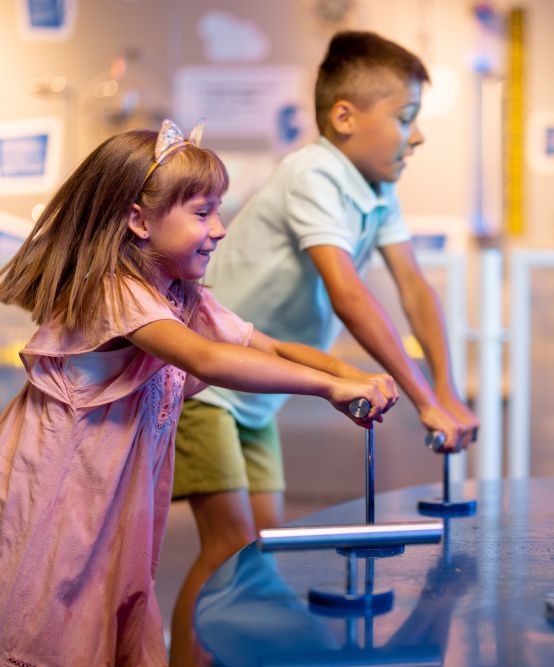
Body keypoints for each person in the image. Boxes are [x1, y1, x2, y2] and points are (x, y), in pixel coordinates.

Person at [0, 120, 397, 667]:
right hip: (46, 501)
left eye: (218, 210)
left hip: (105, 504)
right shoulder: (115, 292)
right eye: (201, 212)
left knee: (106, 629)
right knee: (51, 639)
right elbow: (208, 358)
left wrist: (350, 370)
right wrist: (331, 388)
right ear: (138, 220)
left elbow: (266, 345)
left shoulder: (180, 295)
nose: (219, 229)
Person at [169, 29, 479, 665]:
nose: (416, 136)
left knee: (255, 554)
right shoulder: (314, 172)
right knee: (229, 547)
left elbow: (414, 287)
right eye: (405, 118)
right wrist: (424, 402)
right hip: (208, 381)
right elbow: (350, 295)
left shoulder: (376, 189)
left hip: (257, 393)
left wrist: (445, 388)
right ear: (345, 117)